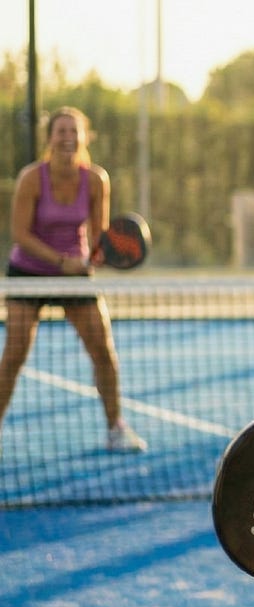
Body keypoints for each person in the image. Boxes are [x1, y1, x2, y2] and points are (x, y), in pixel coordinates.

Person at [1, 106, 147, 458]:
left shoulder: (96, 180)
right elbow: (20, 234)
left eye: (74, 131)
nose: (68, 138)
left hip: (76, 275)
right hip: (28, 273)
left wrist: (98, 258)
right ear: (50, 138)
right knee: (15, 354)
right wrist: (60, 262)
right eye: (61, 131)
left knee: (103, 352)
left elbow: (99, 235)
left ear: (84, 137)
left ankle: (115, 429)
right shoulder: (31, 178)